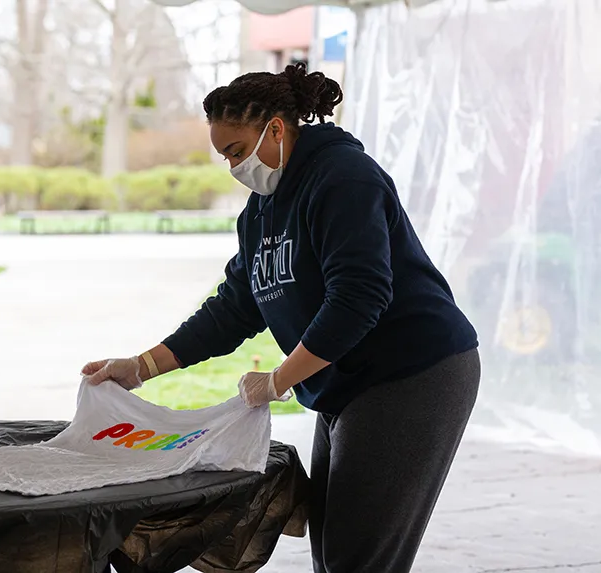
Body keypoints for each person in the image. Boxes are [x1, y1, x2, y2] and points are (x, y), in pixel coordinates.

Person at [82, 62, 480, 573]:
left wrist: (279, 380)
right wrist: (141, 367)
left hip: (411, 372)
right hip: (345, 379)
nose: (233, 167)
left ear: (274, 128)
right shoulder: (260, 211)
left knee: (358, 556)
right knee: (333, 547)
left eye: (237, 151)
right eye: (225, 156)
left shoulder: (343, 178)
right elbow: (234, 307)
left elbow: (360, 296)